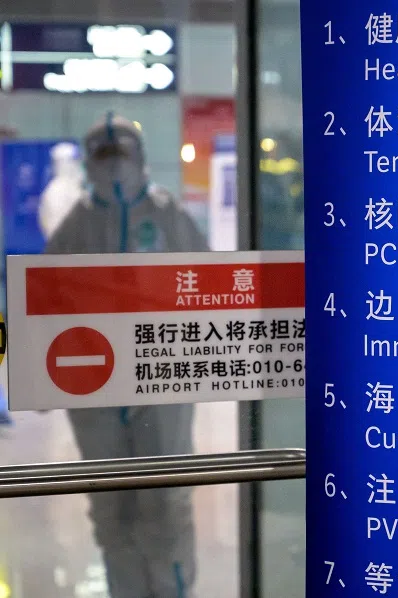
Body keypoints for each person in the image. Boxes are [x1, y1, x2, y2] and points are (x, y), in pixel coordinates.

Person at [44, 112, 206, 598]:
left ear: (141, 160)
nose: (114, 167)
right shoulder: (74, 227)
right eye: (103, 156)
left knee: (167, 499)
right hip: (94, 387)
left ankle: (172, 590)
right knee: (112, 504)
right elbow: (44, 305)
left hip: (162, 381)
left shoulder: (169, 217)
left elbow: (211, 294)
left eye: (122, 156)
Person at [38, 141, 84, 240]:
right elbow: (54, 227)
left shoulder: (77, 188)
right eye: (74, 161)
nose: (77, 166)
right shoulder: (56, 190)